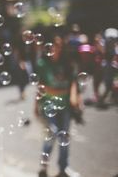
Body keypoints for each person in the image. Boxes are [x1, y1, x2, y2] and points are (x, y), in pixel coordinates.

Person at [34, 35, 81, 177]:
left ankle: (63, 168)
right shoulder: (43, 63)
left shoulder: (67, 63)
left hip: (65, 106)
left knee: (64, 137)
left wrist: (75, 97)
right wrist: (35, 105)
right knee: (52, 134)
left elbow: (73, 82)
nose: (56, 49)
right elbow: (40, 85)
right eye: (53, 46)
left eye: (59, 46)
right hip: (50, 107)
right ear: (49, 47)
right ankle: (43, 167)